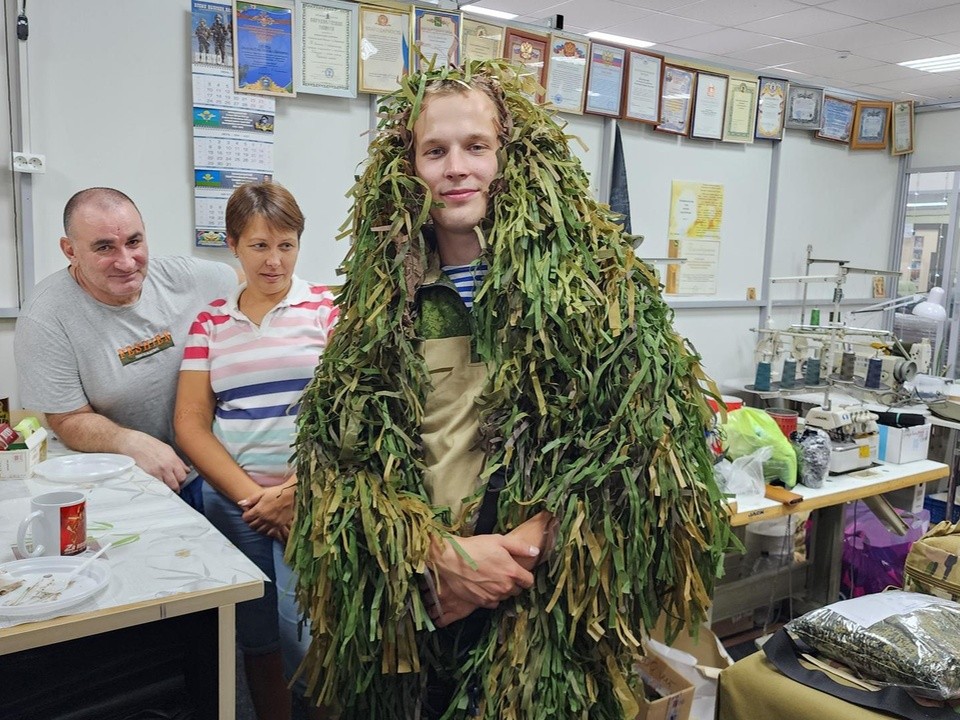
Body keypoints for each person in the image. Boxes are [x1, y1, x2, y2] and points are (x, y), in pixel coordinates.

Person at [288, 61, 734, 719]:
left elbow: (649, 453)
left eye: (476, 146)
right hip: (415, 612)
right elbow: (334, 465)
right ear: (407, 168)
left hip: (541, 626)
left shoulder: (597, 292)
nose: (455, 167)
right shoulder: (378, 305)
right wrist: (435, 554)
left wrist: (524, 547)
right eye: (435, 151)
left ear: (512, 155)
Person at [174, 181, 337, 720]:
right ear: (233, 245)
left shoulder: (328, 310)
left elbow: (350, 414)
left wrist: (295, 492)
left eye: (286, 245)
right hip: (236, 506)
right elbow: (192, 425)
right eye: (259, 246)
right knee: (258, 637)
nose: (274, 261)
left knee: (320, 631)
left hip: (315, 502)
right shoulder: (211, 323)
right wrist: (254, 499)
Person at [14, 188, 239, 509]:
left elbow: (262, 284)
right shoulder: (46, 317)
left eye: (134, 242)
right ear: (70, 250)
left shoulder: (188, 277)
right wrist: (127, 441)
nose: (125, 261)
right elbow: (68, 418)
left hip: (220, 466)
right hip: (131, 481)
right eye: (104, 247)